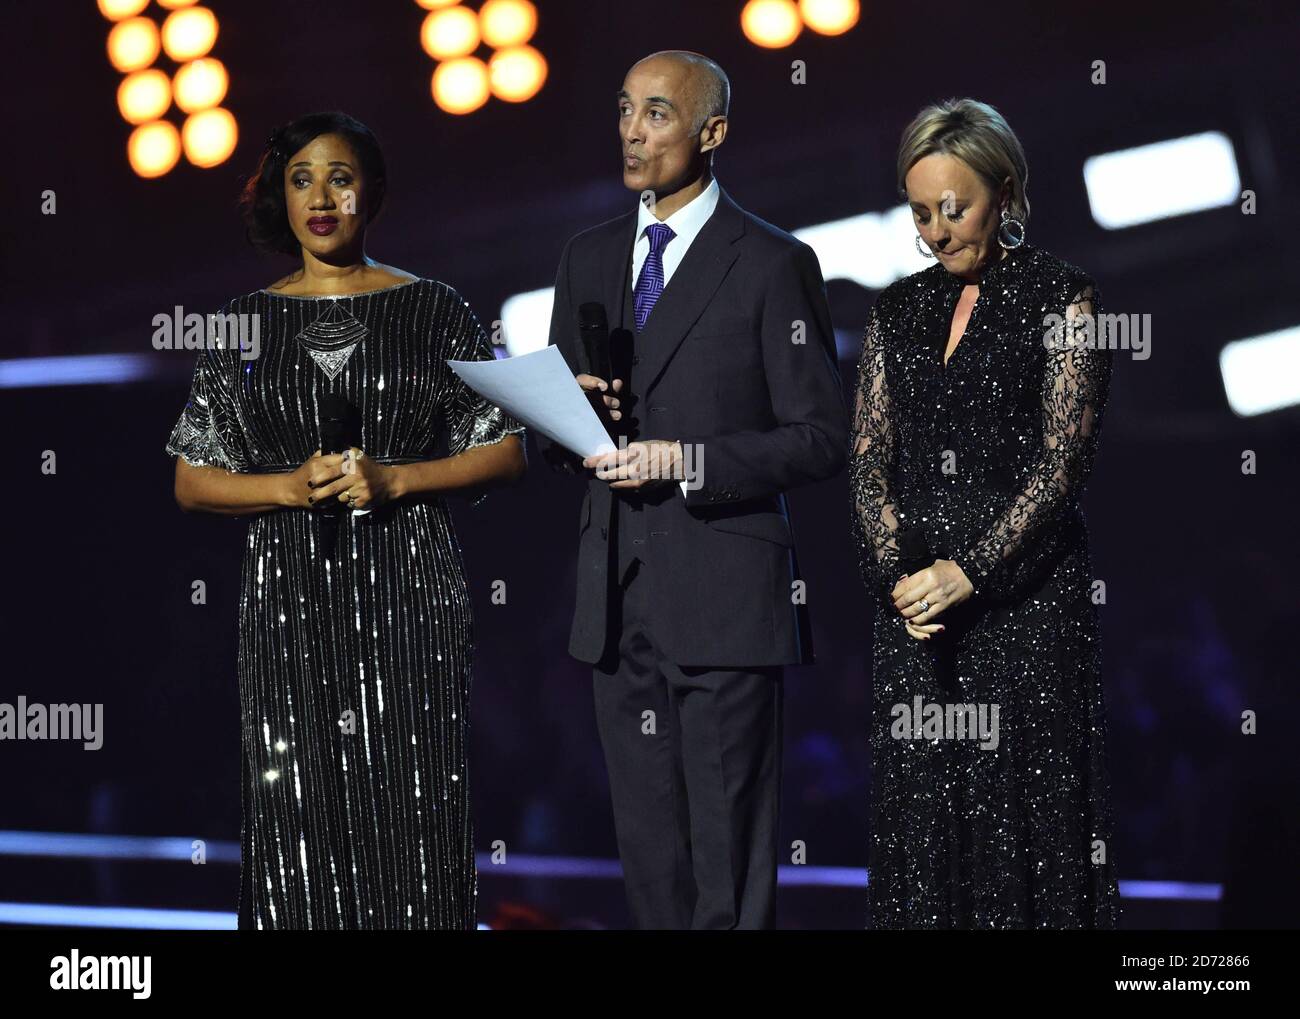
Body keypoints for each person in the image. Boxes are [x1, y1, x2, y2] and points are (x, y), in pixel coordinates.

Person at [165, 111, 526, 929]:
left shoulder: (433, 307)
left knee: (414, 817)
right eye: (300, 179)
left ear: (374, 191)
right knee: (296, 825)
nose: (320, 196)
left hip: (410, 594)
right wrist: (287, 487)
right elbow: (191, 479)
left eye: (339, 176)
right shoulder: (240, 323)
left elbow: (505, 453)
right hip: (286, 599)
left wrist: (396, 478)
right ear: (281, 199)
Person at [538, 51, 847, 929]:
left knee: (728, 864)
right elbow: (552, 436)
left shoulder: (772, 261)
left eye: (659, 114)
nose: (633, 131)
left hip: (725, 598)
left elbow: (821, 437)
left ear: (712, 132)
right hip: (615, 604)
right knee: (652, 865)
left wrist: (685, 459)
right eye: (626, 109)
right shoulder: (588, 256)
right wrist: (568, 419)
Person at [849, 98, 1121, 928]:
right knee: (924, 826)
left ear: (1004, 192)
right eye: (921, 212)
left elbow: (1062, 464)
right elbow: (867, 458)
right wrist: (903, 577)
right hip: (919, 617)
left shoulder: (1063, 296)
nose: (936, 229)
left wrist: (968, 571)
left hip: (1024, 612)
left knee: (1022, 823)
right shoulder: (897, 309)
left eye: (954, 207)